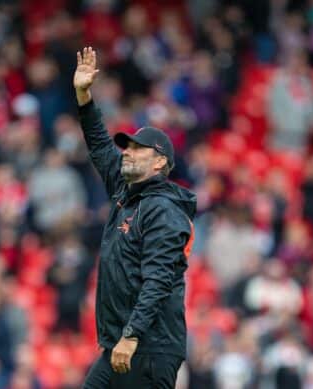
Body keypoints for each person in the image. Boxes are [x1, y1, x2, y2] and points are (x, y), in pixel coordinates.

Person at [75, 47, 197, 388]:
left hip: (151, 347)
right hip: (123, 344)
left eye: (136, 148)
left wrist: (132, 336)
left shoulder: (163, 209)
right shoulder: (126, 191)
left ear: (159, 162)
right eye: (126, 147)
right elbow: (100, 145)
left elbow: (158, 279)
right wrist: (84, 98)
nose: (126, 152)